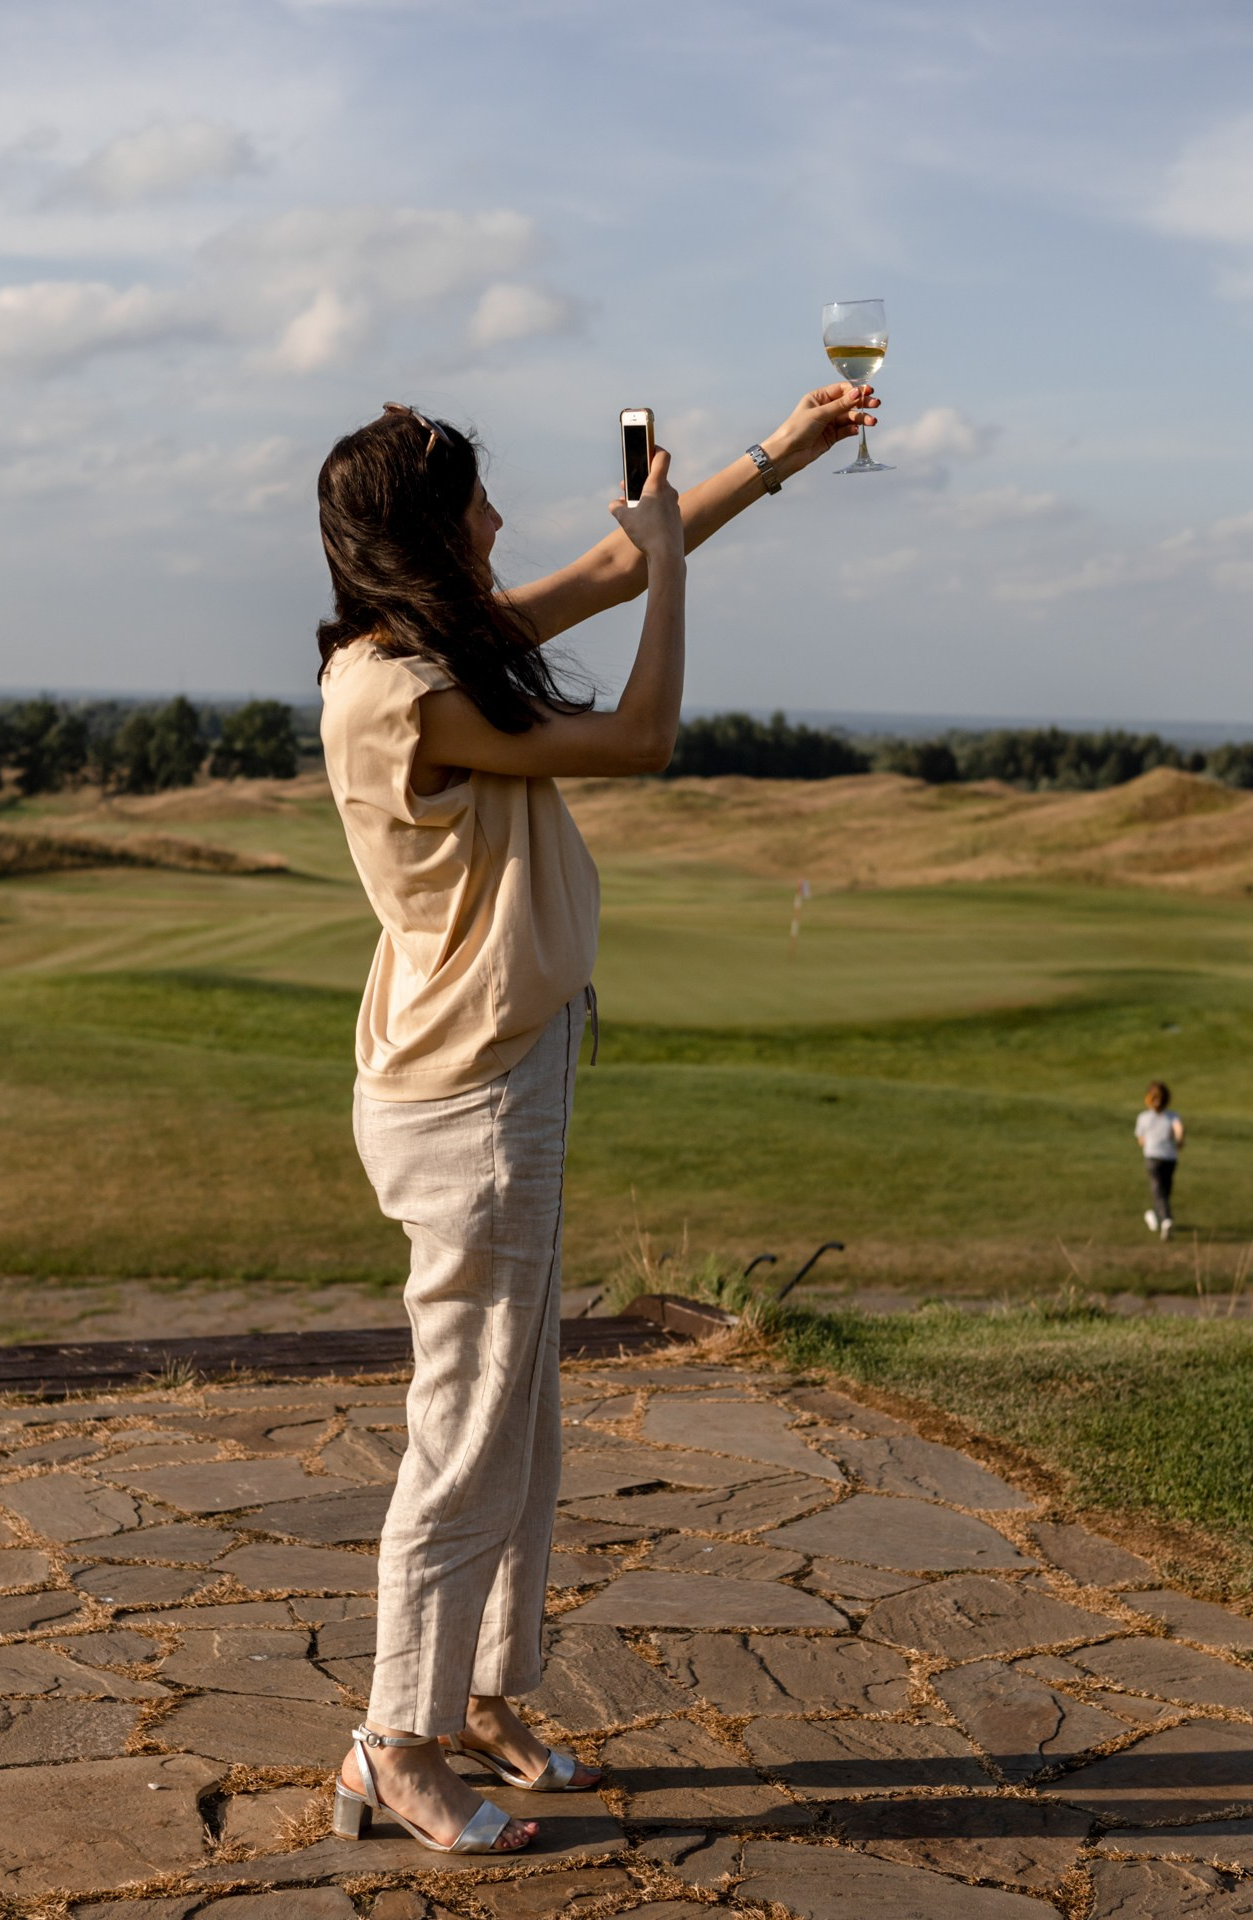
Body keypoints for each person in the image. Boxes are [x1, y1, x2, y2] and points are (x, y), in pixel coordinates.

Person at [315, 381, 877, 1855]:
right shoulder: (407, 690)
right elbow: (637, 739)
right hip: (472, 1099)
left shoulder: (430, 643)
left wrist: (780, 456)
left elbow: (622, 555)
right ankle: (395, 1743)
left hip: (508, 1065)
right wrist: (673, 577)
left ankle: (488, 1696)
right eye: (476, 503)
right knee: (467, 1429)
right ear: (426, 535)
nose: (502, 520)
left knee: (529, 1414)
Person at [1135, 1080, 1184, 1243]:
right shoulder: (1172, 1116)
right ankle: (1162, 1218)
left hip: (1154, 1157)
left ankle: (1163, 1218)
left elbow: (1141, 1141)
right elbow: (1179, 1131)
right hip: (1169, 1157)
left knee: (1159, 1190)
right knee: (1164, 1190)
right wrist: (1178, 1141)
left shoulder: (1144, 1117)